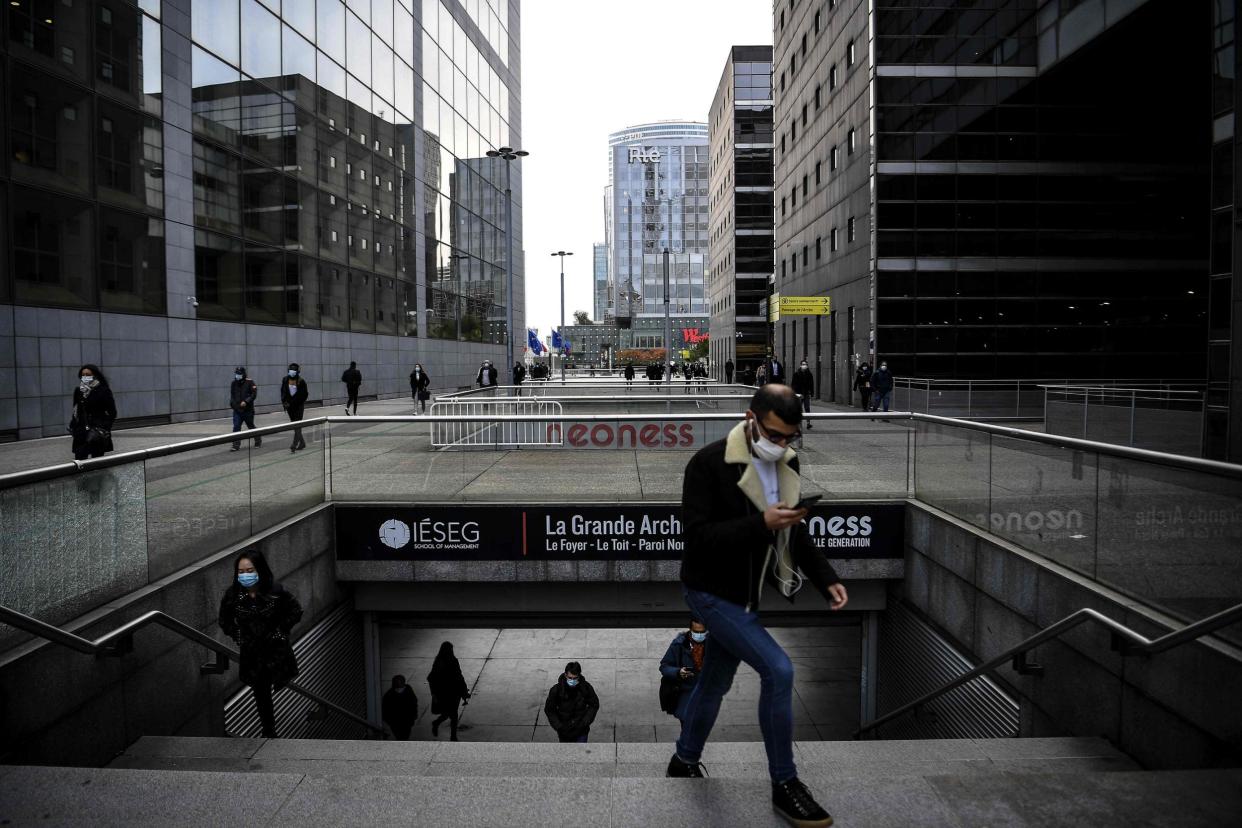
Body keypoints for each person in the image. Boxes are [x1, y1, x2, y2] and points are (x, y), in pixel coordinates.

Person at [668, 384, 848, 828]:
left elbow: (793, 531)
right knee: (779, 669)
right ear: (751, 418)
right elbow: (699, 538)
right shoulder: (709, 464)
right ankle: (785, 784)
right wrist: (760, 524)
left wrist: (827, 580)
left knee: (714, 682)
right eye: (773, 433)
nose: (781, 444)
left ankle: (683, 760)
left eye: (790, 437)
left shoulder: (786, 461)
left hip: (745, 595)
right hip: (709, 592)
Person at [218, 549, 303, 738]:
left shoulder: (275, 591)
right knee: (260, 690)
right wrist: (239, 637)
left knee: (270, 683)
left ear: (260, 570)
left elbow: (296, 610)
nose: (245, 575)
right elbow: (224, 621)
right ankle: (269, 730)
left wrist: (280, 632)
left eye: (249, 570)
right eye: (241, 571)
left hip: (275, 650)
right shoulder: (233, 596)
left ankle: (270, 729)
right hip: (252, 652)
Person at [659, 619, 708, 721]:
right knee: (688, 724)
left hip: (704, 694)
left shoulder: (712, 646)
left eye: (702, 632)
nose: (699, 635)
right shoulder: (679, 645)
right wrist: (678, 672)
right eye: (696, 632)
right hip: (686, 693)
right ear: (690, 630)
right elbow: (664, 666)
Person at [69, 364, 116, 461]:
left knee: (96, 461)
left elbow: (112, 412)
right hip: (81, 431)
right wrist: (74, 427)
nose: (85, 377)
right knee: (80, 461)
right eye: (83, 375)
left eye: (88, 374)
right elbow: (76, 410)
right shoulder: (78, 391)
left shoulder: (103, 390)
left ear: (95, 375)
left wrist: (105, 428)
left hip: (96, 432)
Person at [543, 661, 599, 743]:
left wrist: (584, 722)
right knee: (567, 753)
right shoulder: (556, 690)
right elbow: (549, 709)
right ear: (565, 675)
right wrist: (559, 726)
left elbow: (594, 705)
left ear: (579, 676)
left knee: (580, 752)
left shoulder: (586, 688)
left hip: (581, 730)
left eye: (575, 678)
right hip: (565, 731)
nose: (572, 680)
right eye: (570, 678)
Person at [427, 641, 470, 740]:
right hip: (447, 693)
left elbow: (459, 675)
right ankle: (452, 736)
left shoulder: (448, 660)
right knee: (452, 714)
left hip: (452, 692)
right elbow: (432, 678)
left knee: (450, 713)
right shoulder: (443, 662)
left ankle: (441, 726)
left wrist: (463, 690)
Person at [230, 366, 261, 451]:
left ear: (243, 374)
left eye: (239, 374)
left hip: (248, 410)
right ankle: (235, 445)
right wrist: (233, 405)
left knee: (250, 426)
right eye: (237, 373)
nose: (238, 375)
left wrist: (246, 401)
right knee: (236, 426)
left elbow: (253, 394)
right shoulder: (234, 383)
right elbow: (232, 396)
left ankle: (258, 439)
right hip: (237, 410)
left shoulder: (250, 382)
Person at [280, 363, 308, 453]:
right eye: (291, 370)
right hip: (289, 407)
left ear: (297, 372)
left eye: (294, 370)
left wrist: (293, 403)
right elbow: (283, 392)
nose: (292, 372)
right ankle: (302, 442)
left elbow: (304, 395)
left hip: (298, 407)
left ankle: (294, 444)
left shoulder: (301, 381)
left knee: (297, 425)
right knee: (294, 425)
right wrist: (284, 403)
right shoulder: (285, 380)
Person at [382, 675, 419, 741]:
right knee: (403, 736)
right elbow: (414, 704)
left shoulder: (389, 694)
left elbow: (414, 704)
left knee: (401, 736)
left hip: (401, 721)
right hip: (399, 721)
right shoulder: (408, 690)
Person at [791, 360, 815, 430]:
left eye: (806, 364)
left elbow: (811, 384)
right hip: (798, 394)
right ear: (800, 365)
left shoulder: (809, 374)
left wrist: (812, 393)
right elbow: (793, 384)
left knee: (807, 408)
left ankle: (808, 423)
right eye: (803, 364)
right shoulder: (796, 374)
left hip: (806, 393)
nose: (805, 366)